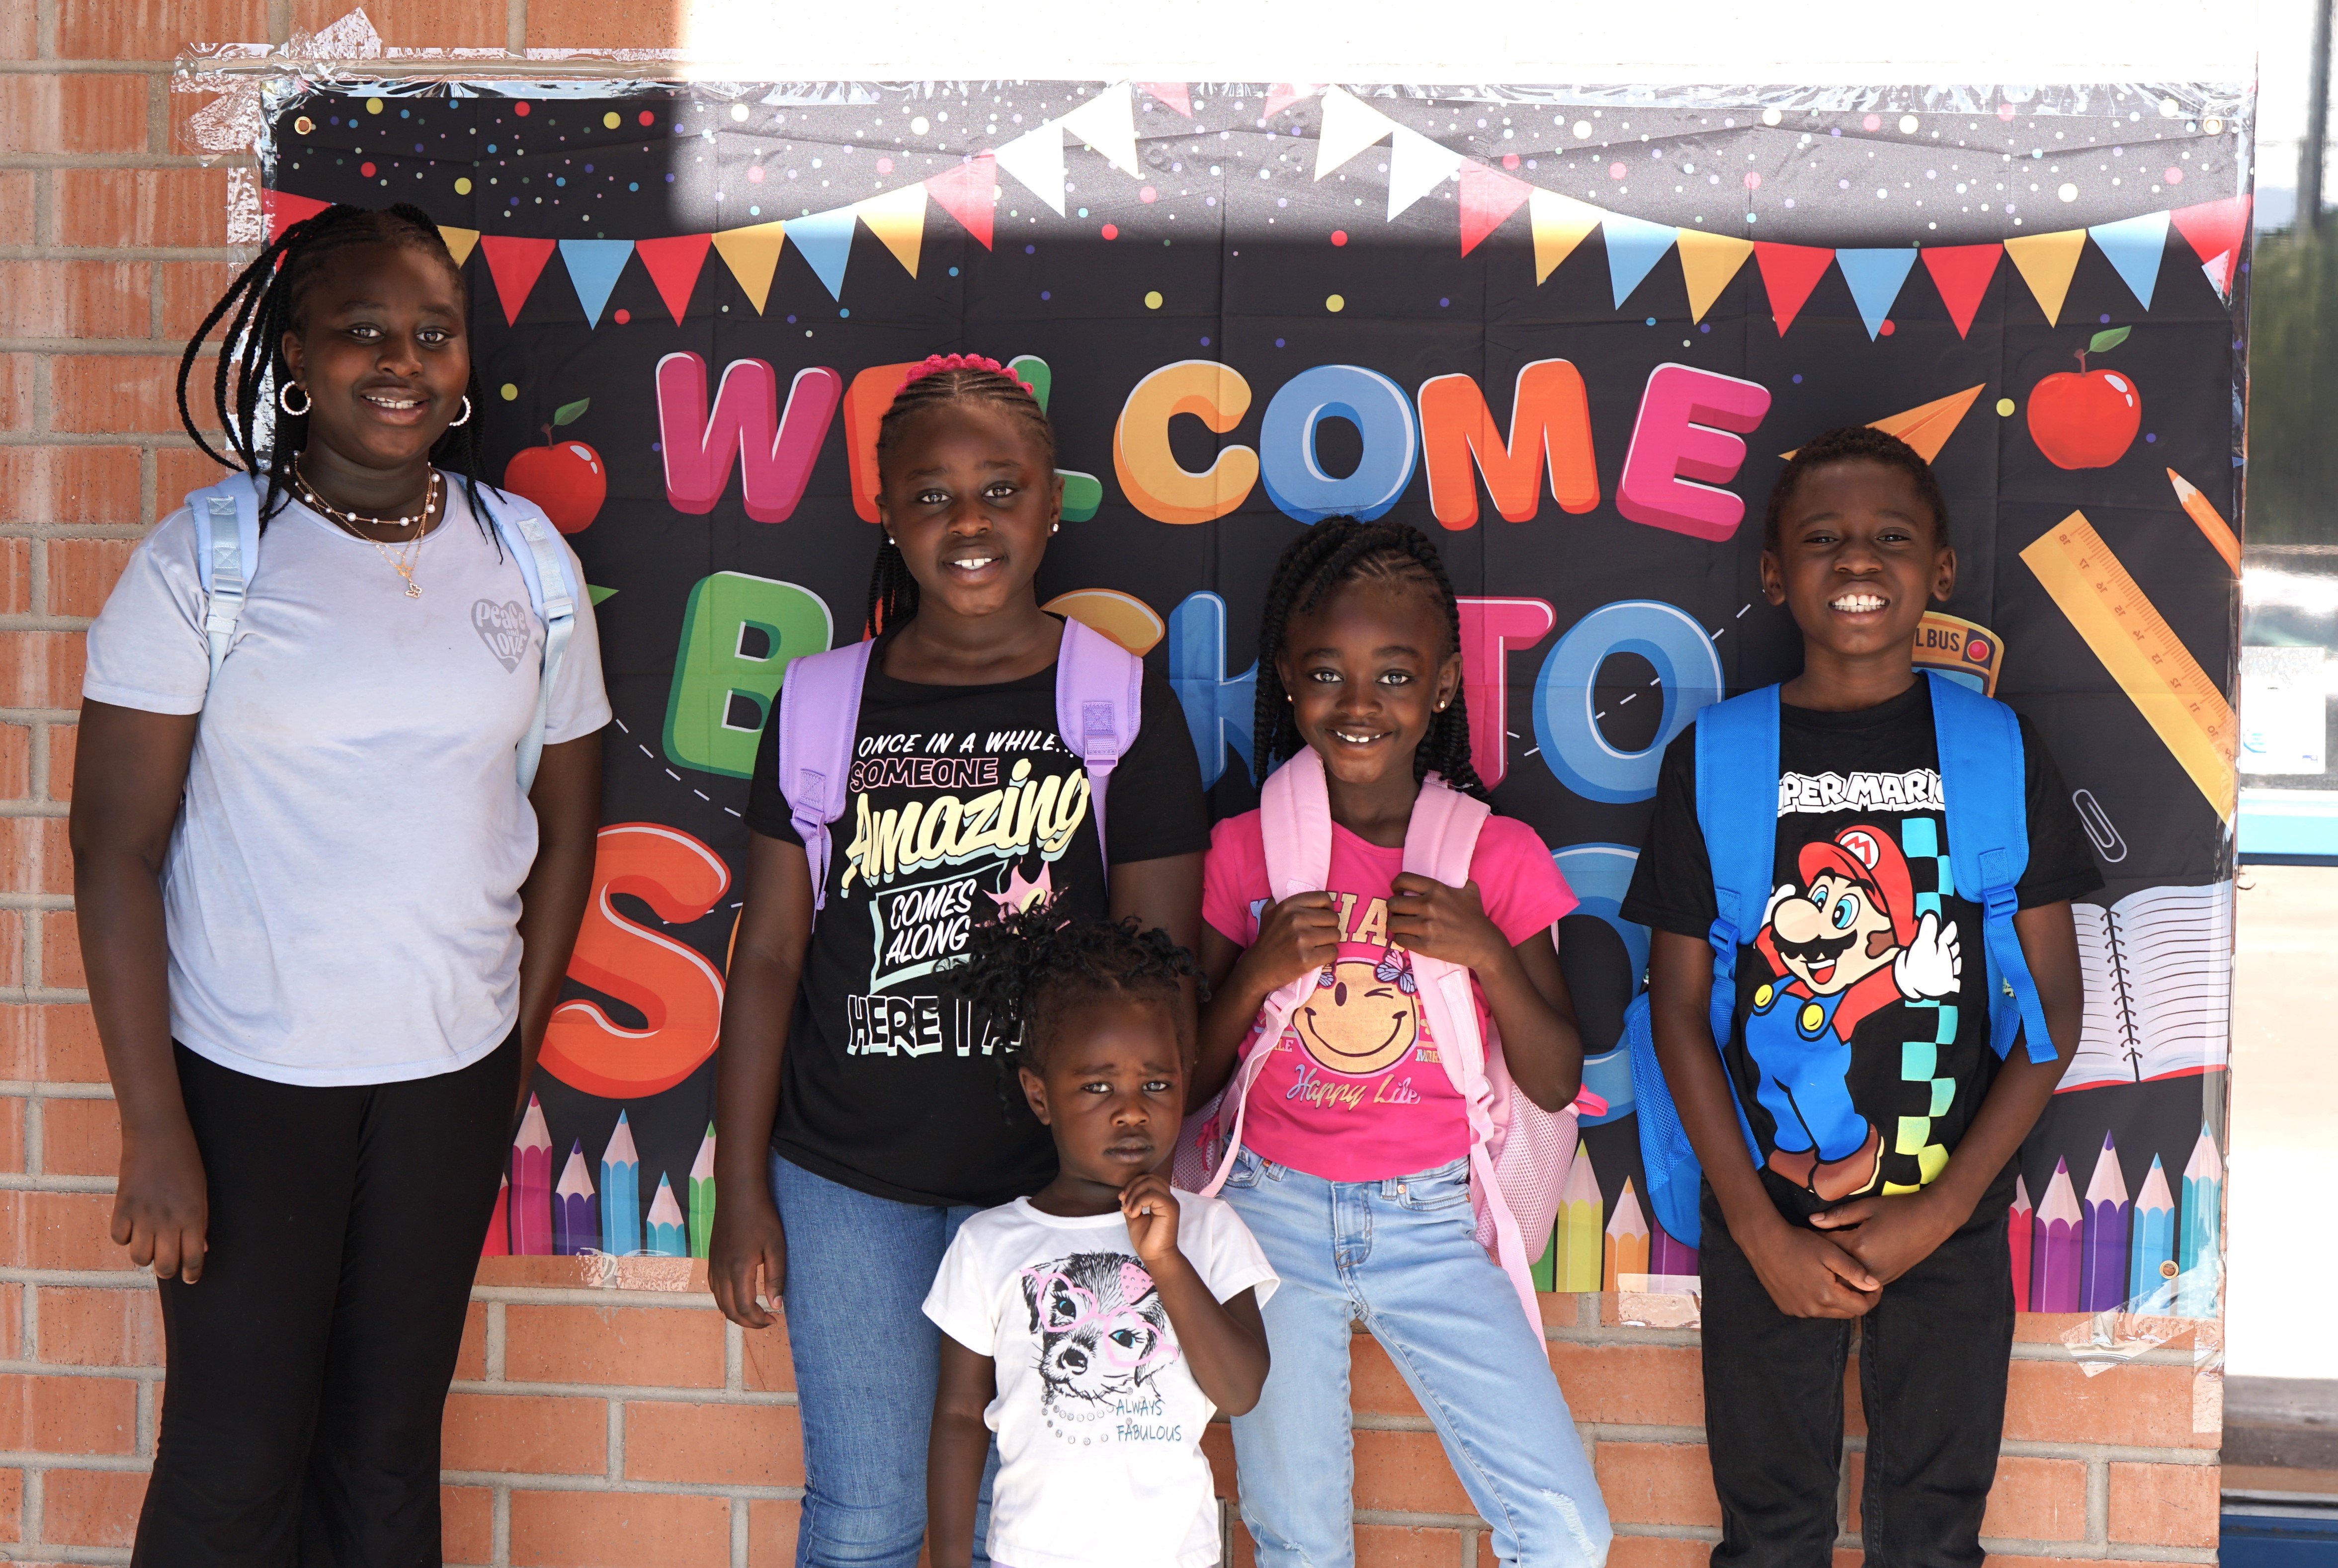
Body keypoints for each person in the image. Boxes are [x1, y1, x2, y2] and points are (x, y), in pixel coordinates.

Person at [71, 202, 608, 1564]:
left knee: (384, 1458)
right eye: (363, 329)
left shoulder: (527, 560)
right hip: (248, 1081)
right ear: (296, 360)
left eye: (432, 333)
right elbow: (115, 850)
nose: (401, 360)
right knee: (235, 1455)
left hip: (445, 1082)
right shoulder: (208, 562)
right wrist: (152, 1124)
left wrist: (512, 1051)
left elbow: (566, 820)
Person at [710, 354, 1212, 1568]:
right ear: (886, 511)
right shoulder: (825, 704)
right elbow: (772, 954)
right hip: (847, 1182)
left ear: (1051, 505)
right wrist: (740, 1187)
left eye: (1000, 488)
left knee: (1026, 1520)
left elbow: (1165, 973)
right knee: (868, 1513)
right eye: (930, 495)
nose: (968, 521)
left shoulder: (1118, 705)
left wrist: (1143, 1183)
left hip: (1052, 1191)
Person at [1621, 425, 2099, 1568]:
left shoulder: (1995, 749)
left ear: (1940, 569)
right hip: (1767, 1217)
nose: (1856, 561)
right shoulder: (1719, 756)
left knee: (1933, 1538)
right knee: (1771, 1532)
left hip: (1951, 1214)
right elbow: (1677, 1009)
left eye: (1890, 537)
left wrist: (1939, 1212)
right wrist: (1753, 1228)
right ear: (1775, 571)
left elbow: (2052, 1017)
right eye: (1822, 539)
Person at [1193, 518, 1613, 1568]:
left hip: (1430, 1222)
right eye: (1328, 672)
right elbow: (1187, 1078)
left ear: (1440, 690)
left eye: (1394, 675)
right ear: (1288, 677)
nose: (1359, 702)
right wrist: (1254, 973)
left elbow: (1557, 1075)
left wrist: (1490, 954)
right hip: (1270, 1218)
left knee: (1565, 1528)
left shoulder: (1495, 856)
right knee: (1298, 1539)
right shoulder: (1245, 850)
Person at [925, 908, 1275, 1568]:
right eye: (1096, 1086)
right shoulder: (987, 1245)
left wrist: (1166, 1262)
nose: (1132, 1108)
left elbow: (1240, 1391)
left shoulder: (1207, 1232)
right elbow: (960, 1415)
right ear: (1040, 1095)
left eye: (1157, 1083)